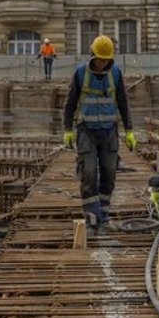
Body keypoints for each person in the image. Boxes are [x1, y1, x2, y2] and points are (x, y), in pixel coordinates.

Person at [63, 35, 136, 227]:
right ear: (93, 55)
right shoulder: (80, 73)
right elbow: (70, 103)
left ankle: (103, 213)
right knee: (88, 173)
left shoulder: (116, 74)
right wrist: (67, 129)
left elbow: (123, 102)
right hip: (86, 130)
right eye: (100, 59)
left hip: (109, 132)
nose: (103, 63)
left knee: (109, 172)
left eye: (106, 60)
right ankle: (92, 216)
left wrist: (129, 130)